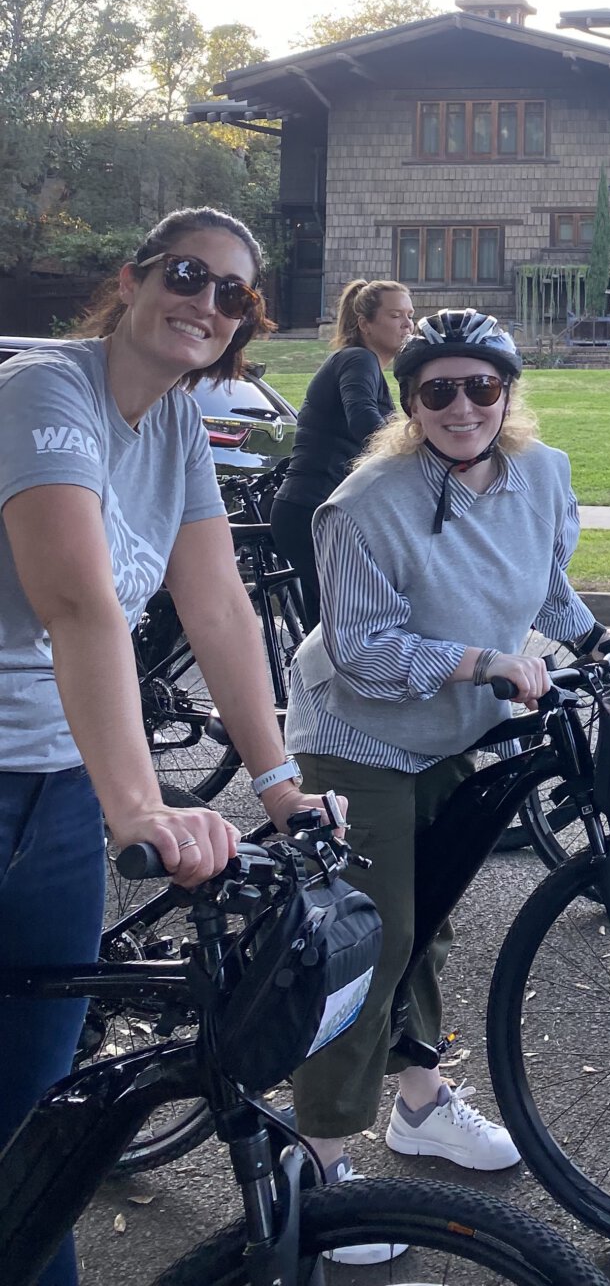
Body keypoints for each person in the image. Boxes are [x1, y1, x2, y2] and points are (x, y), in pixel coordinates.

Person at [0, 209, 338, 1286]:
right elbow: (78, 602)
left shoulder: (180, 427)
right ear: (134, 276)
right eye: (189, 274)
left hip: (50, 792)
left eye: (233, 292)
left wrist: (280, 782)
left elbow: (222, 608)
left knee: (34, 1117)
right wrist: (141, 807)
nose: (207, 301)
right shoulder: (48, 389)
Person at [283, 308, 610, 1248]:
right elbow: (359, 650)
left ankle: (418, 1100)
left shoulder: (542, 475)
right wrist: (483, 662)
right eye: (436, 389)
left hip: (449, 736)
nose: (462, 406)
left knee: (427, 927)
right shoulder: (362, 502)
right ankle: (316, 1167)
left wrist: (593, 634)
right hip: (353, 737)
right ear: (410, 402)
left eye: (482, 385)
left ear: (507, 393)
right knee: (373, 941)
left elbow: (545, 589)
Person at [270, 279, 416, 631]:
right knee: (336, 632)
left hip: (319, 510)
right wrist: (415, 457)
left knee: (336, 625)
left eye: (410, 315)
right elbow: (364, 420)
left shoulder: (366, 365)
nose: (408, 324)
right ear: (365, 324)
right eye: (396, 315)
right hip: (312, 510)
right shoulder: (358, 358)